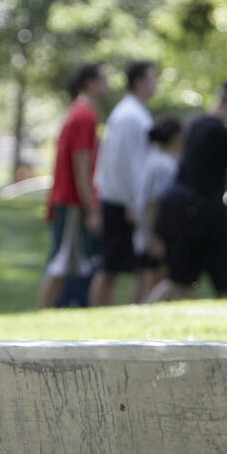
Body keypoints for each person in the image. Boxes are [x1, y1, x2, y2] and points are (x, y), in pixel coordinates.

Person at [148, 80, 227, 302]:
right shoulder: (225, 134)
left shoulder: (194, 126)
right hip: (209, 211)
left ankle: (147, 308)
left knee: (180, 278)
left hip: (182, 209)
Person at [39, 62, 108, 308]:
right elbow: (82, 165)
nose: (107, 84)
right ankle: (42, 318)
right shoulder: (84, 115)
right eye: (103, 79)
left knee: (66, 263)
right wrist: (91, 208)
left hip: (69, 199)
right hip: (72, 201)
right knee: (59, 264)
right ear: (89, 82)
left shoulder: (79, 113)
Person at [91, 60, 159, 306]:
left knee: (137, 264)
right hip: (121, 200)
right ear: (139, 82)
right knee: (111, 265)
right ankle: (98, 313)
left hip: (126, 199)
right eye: (152, 78)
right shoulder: (129, 115)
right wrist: (133, 202)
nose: (156, 84)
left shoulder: (136, 113)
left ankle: (133, 310)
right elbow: (125, 163)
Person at [132, 116, 183, 302]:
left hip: (145, 231)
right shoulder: (164, 165)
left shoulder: (153, 160)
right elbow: (156, 202)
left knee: (143, 279)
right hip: (155, 233)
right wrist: (156, 236)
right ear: (176, 137)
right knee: (154, 282)